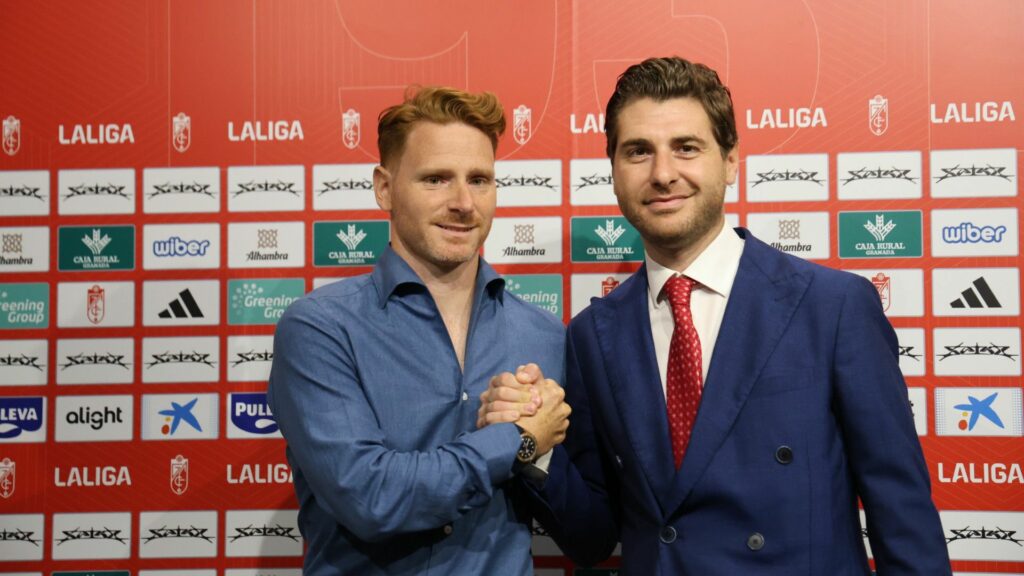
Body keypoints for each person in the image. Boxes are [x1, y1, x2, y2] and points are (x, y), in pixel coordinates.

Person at [480, 57, 952, 574]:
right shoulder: (594, 335)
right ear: (612, 169)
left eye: (686, 147)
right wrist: (535, 449)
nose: (663, 174)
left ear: (730, 160)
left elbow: (901, 512)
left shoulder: (834, 306)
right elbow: (594, 536)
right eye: (638, 151)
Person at [268, 85, 570, 575]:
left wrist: (539, 455)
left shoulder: (543, 335)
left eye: (480, 179)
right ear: (384, 187)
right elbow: (372, 498)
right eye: (435, 179)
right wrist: (515, 439)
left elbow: (582, 526)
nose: (463, 202)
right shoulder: (320, 328)